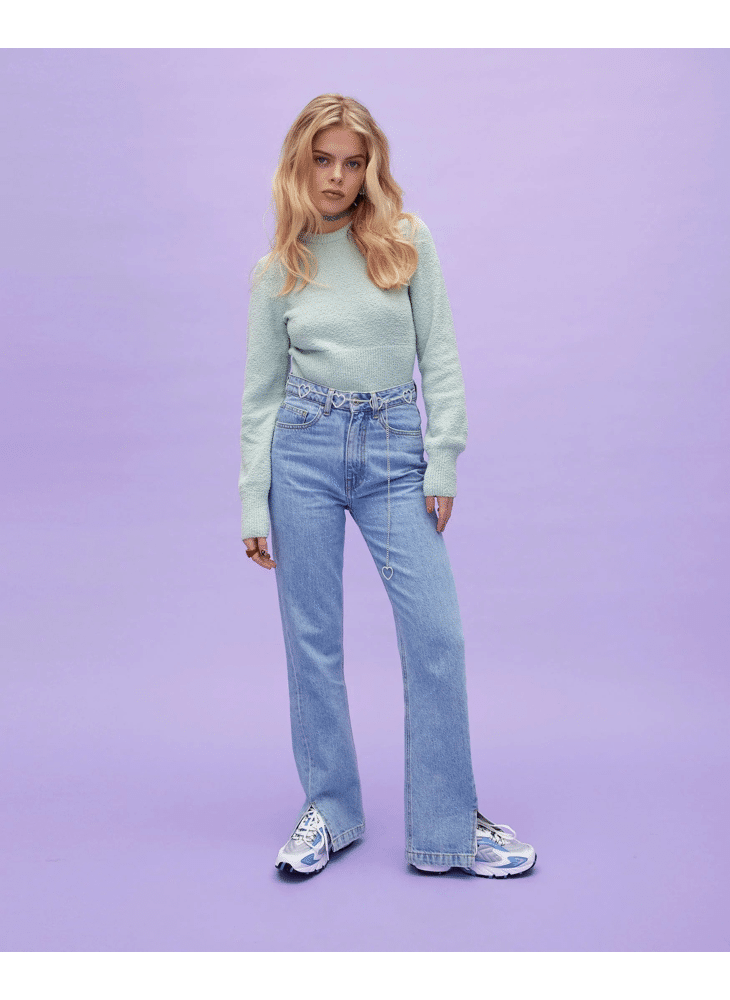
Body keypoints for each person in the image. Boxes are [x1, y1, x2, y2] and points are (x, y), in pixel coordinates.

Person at [238, 93, 536, 879]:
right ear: (298, 163)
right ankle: (330, 811)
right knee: (312, 641)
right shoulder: (278, 272)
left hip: (394, 447)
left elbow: (440, 353)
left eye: (353, 161)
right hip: (301, 449)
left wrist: (444, 456)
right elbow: (261, 397)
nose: (337, 176)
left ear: (371, 169)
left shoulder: (404, 241)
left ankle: (447, 828)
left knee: (437, 635)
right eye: (323, 159)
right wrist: (250, 498)